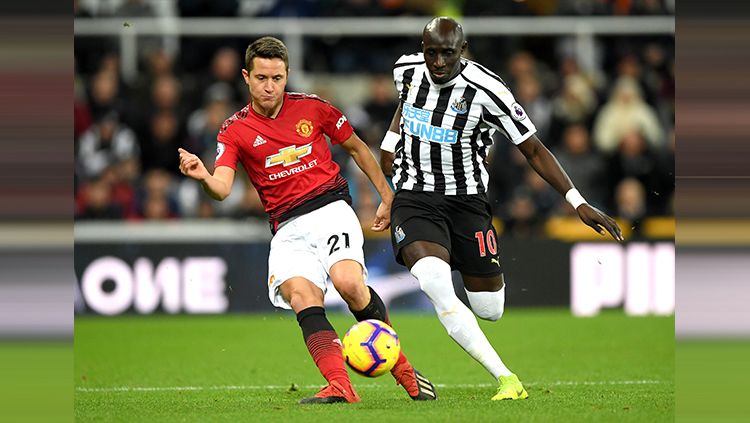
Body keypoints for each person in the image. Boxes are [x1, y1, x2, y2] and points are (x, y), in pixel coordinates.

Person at [177, 37, 436, 404]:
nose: (270, 86)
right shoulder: (233, 130)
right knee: (302, 296)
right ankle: (340, 386)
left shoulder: (313, 108)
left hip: (330, 209)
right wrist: (203, 175)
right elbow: (221, 188)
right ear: (246, 77)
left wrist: (388, 196)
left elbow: (358, 148)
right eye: (262, 78)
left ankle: (406, 373)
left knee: (348, 283)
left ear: (287, 76)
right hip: (286, 228)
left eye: (278, 78)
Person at [379, 17, 623, 401]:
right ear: (422, 49)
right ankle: (506, 378)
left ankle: (467, 266)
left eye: (447, 53)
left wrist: (577, 201)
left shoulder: (489, 90)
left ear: (463, 49)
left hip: (467, 204)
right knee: (434, 283)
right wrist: (389, 147)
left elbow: (533, 149)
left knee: (489, 309)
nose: (438, 62)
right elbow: (403, 107)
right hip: (415, 197)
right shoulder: (405, 71)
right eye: (431, 53)